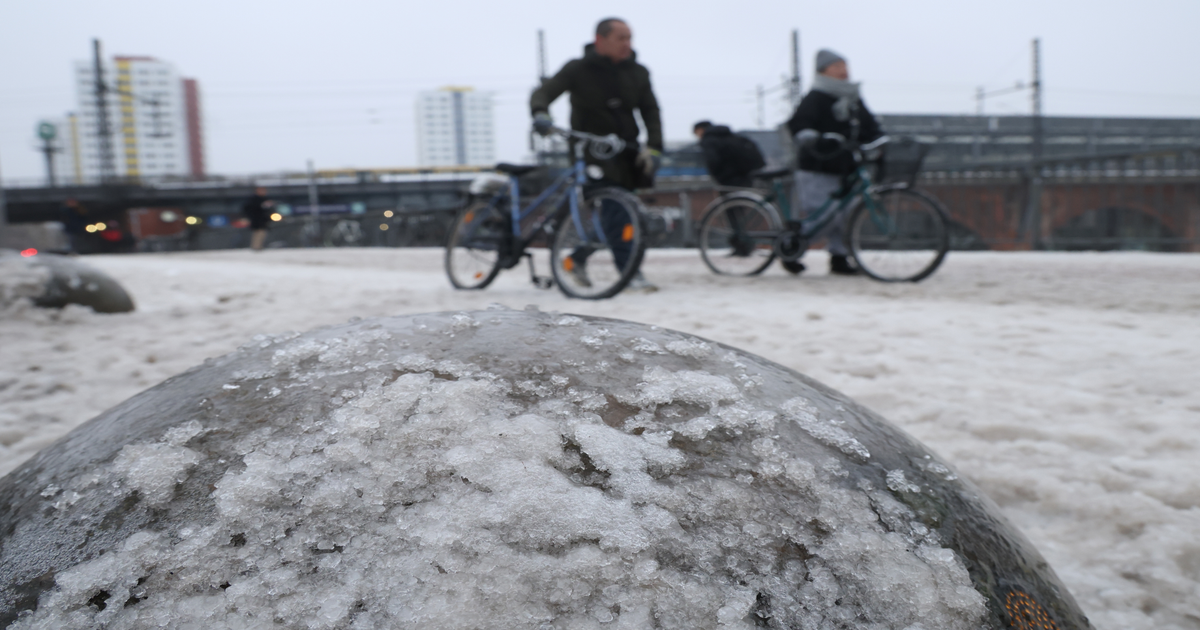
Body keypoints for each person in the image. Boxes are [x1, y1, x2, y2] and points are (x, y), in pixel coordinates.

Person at [530, 17, 662, 293]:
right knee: (616, 210)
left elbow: (650, 111)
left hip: (627, 152)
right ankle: (629, 270)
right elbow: (545, 92)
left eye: (629, 38)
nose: (627, 44)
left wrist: (654, 148)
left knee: (621, 211)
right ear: (600, 39)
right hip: (590, 152)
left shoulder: (638, 72)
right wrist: (541, 114)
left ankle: (576, 258)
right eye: (621, 38)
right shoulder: (578, 69)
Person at [786, 49, 884, 275]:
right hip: (818, 165)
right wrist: (813, 137)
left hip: (846, 165)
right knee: (825, 215)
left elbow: (869, 125)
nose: (844, 71)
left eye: (845, 65)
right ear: (823, 71)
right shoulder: (816, 97)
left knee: (847, 214)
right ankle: (792, 247)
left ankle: (839, 258)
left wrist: (879, 139)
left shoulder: (852, 98)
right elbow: (799, 124)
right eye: (837, 66)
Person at [692, 121, 764, 189]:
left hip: (728, 178)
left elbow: (712, 160)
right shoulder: (731, 136)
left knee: (734, 198)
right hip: (747, 174)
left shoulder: (709, 141)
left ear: (700, 129)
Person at [241, 187, 275, 251]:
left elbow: (268, 209)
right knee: (257, 232)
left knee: (262, 232)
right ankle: (256, 246)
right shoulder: (253, 199)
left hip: (263, 219)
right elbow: (249, 208)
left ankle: (258, 246)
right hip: (256, 219)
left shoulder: (264, 199)